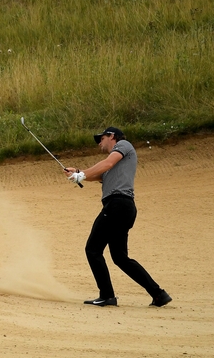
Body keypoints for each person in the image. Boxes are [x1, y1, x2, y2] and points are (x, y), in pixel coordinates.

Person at [64, 127, 172, 307]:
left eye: (101, 138)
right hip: (124, 208)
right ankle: (158, 294)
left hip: (117, 205)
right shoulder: (113, 165)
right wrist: (77, 173)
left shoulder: (123, 145)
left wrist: (81, 174)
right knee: (120, 258)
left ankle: (107, 296)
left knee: (93, 249)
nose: (99, 143)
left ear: (112, 136)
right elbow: (99, 175)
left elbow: (106, 164)